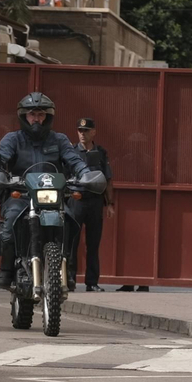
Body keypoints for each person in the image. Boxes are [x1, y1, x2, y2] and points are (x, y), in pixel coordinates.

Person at [0, 92, 90, 290]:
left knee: (70, 221)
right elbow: (1, 158)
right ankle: (6, 270)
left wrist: (86, 174)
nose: (36, 119)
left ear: (48, 117)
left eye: (41, 114)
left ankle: (66, 269)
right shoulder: (13, 139)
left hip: (52, 196)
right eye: (32, 114)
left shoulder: (59, 140)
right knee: (10, 223)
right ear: (24, 116)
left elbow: (74, 160)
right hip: (22, 195)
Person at [70, 117, 114, 293]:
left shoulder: (101, 153)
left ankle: (92, 282)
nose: (83, 134)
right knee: (71, 243)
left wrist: (110, 203)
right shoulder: (71, 152)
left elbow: (108, 179)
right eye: (80, 131)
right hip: (76, 200)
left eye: (86, 130)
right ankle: (69, 280)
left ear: (94, 132)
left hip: (95, 201)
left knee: (93, 244)